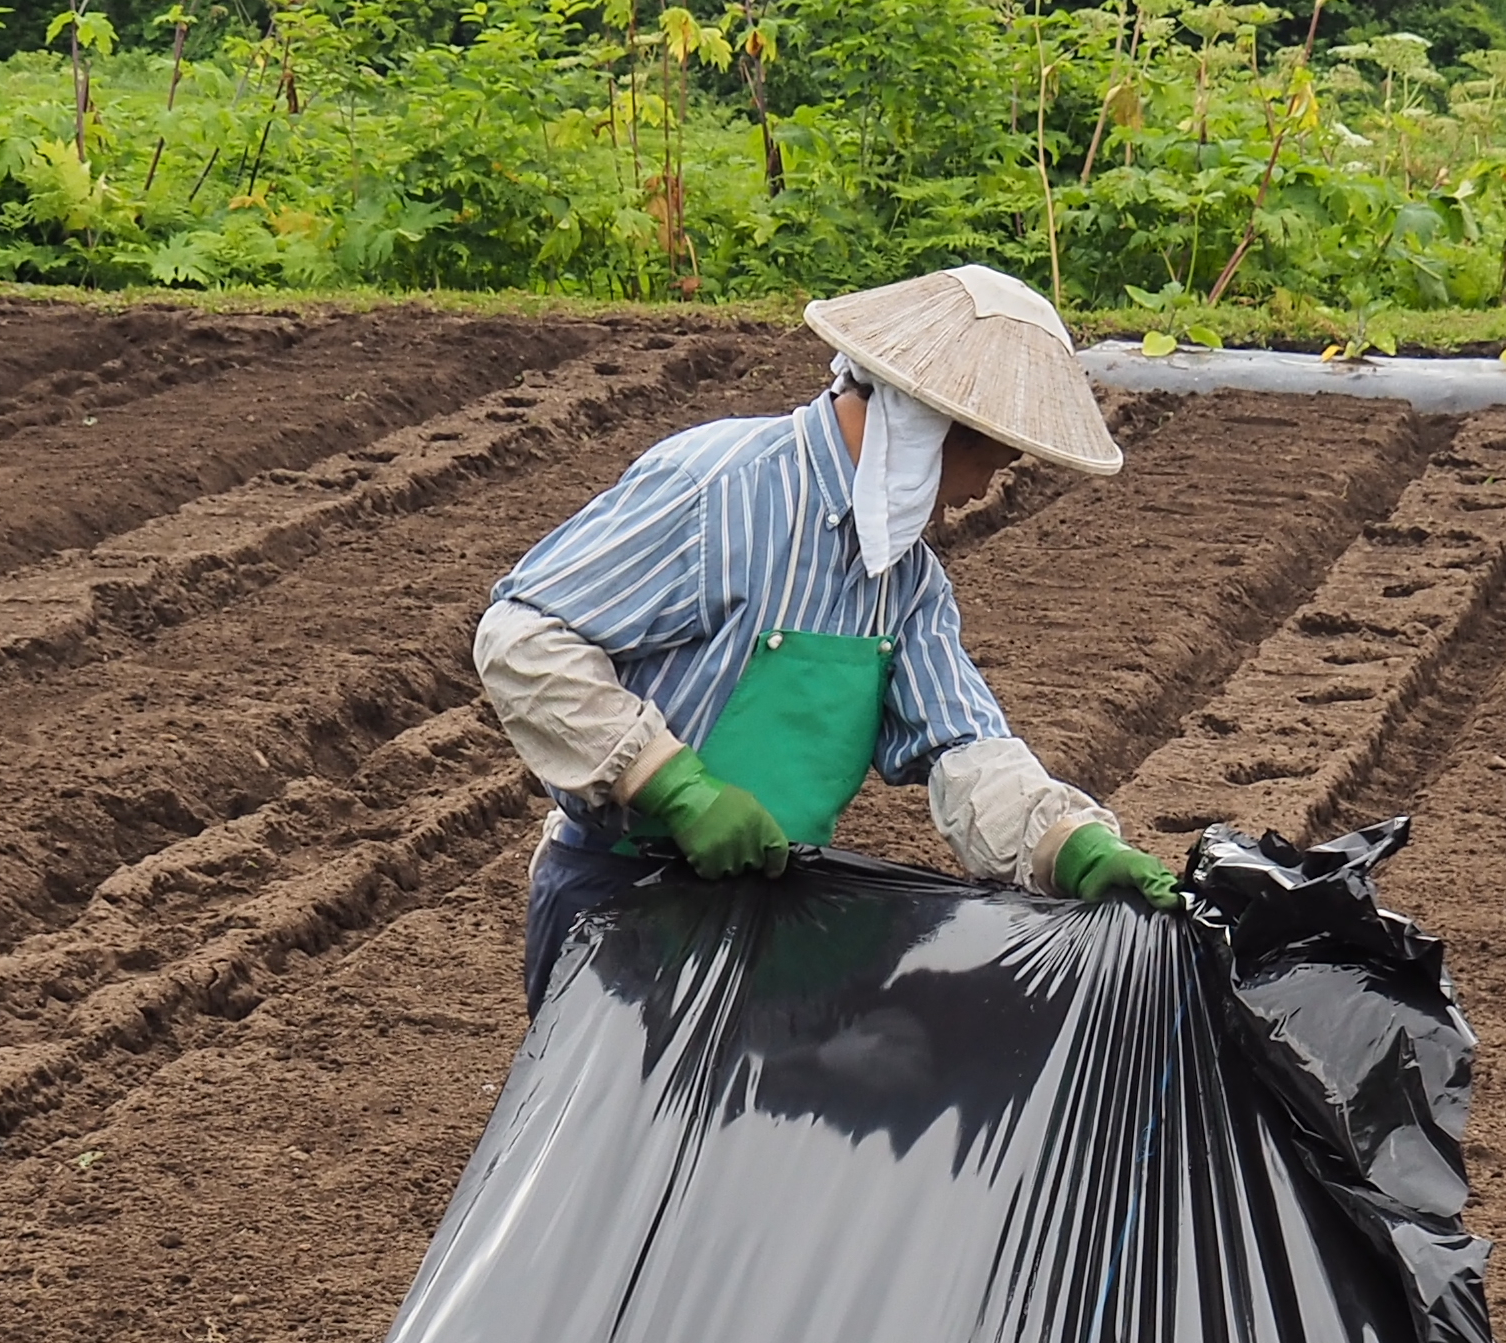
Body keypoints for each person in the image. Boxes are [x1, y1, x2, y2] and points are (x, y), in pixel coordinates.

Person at [476, 262, 1174, 1013]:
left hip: (766, 912)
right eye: (987, 463)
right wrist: (670, 785)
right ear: (927, 424)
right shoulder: (719, 490)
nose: (981, 492)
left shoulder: (905, 582)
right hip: (620, 906)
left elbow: (961, 747)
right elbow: (523, 637)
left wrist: (1072, 846)